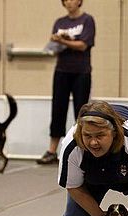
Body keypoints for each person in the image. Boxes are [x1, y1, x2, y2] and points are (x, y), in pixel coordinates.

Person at [37, 0, 95, 165]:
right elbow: (54, 46)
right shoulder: (60, 22)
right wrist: (56, 41)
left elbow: (83, 45)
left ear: (79, 2)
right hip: (62, 71)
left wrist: (63, 41)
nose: (70, 2)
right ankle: (52, 150)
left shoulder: (87, 20)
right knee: (58, 109)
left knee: (81, 110)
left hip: (81, 72)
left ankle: (83, 148)